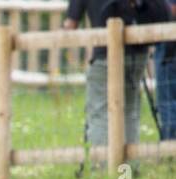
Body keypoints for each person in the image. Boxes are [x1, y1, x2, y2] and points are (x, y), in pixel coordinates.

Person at [64, 0, 156, 148]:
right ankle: (128, 167)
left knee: (100, 112)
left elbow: (70, 25)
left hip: (104, 55)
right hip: (137, 54)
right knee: (130, 110)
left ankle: (102, 165)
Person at [156, 2, 176, 139]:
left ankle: (170, 145)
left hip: (169, 48)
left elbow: (171, 10)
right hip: (168, 47)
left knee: (167, 102)